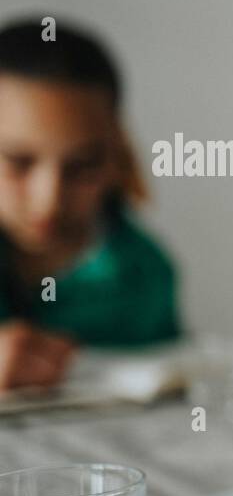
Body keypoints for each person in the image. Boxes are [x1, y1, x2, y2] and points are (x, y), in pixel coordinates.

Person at [0, 19, 180, 389]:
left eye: (82, 166)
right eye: (18, 162)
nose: (48, 200)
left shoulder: (143, 273)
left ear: (118, 155)